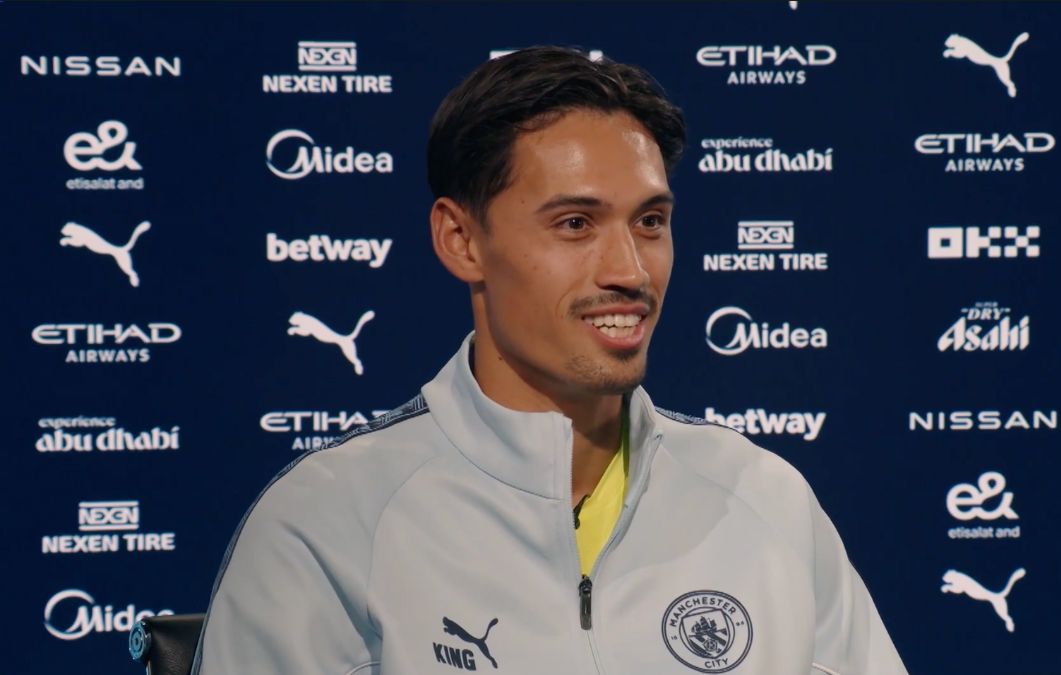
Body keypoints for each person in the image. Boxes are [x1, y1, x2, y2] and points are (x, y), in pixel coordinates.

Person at [192, 46, 908, 675]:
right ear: (461, 240)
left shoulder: (765, 500)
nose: (630, 270)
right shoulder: (327, 524)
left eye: (650, 222)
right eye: (575, 223)